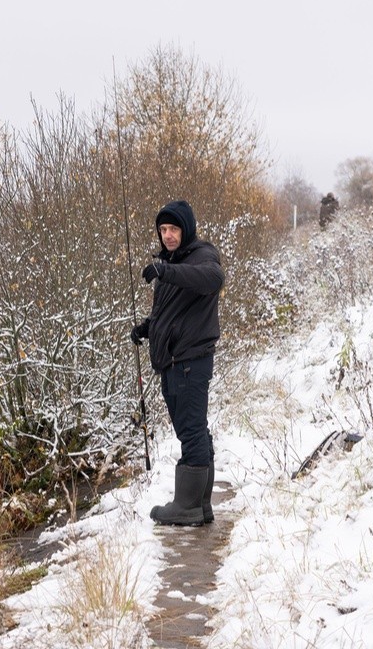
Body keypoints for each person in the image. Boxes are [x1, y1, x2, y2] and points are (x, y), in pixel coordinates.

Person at [130, 199, 225, 526]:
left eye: (173, 229)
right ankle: (200, 506)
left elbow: (212, 279)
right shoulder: (172, 261)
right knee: (193, 430)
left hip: (189, 362)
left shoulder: (202, 256)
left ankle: (188, 508)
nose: (167, 235)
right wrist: (148, 327)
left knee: (191, 432)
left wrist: (166, 270)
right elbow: (173, 312)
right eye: (163, 230)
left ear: (186, 229)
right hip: (173, 361)